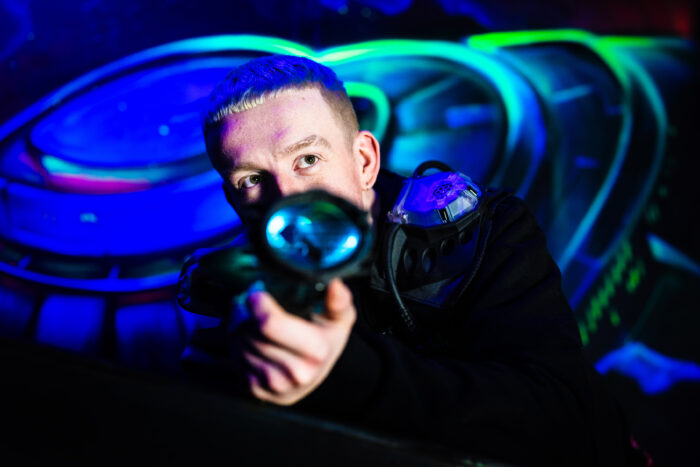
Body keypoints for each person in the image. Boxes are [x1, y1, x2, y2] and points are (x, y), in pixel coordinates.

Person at [183, 54, 644, 466]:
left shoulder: (485, 230)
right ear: (234, 201)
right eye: (252, 180)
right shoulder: (246, 303)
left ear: (364, 161)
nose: (286, 198)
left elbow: (559, 419)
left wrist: (344, 371)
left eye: (307, 159)